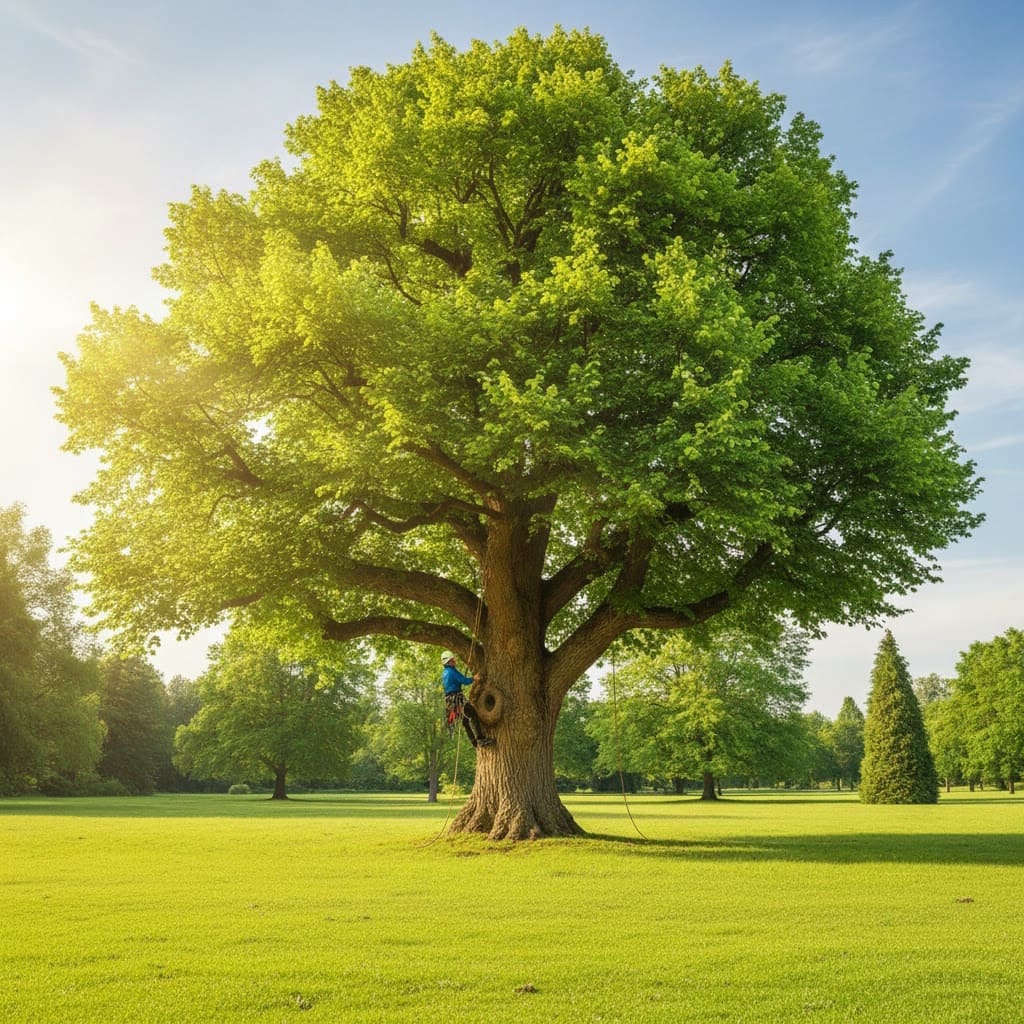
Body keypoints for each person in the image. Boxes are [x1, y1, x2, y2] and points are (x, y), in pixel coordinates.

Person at [440, 650, 495, 748]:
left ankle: (474, 742)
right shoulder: (452, 672)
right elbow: (464, 681)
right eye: (452, 660)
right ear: (447, 662)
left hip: (450, 702)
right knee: (473, 714)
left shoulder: (444, 673)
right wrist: (474, 678)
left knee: (465, 721)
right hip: (457, 699)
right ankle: (481, 739)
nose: (454, 662)